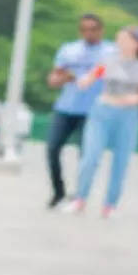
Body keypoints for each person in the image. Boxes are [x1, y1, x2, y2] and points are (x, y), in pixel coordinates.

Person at [62, 26, 138, 218]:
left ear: (137, 43)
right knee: (90, 157)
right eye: (119, 39)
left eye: (125, 40)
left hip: (127, 116)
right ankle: (80, 199)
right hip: (102, 111)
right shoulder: (108, 61)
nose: (121, 43)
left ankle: (110, 205)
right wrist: (79, 79)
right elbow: (90, 78)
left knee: (121, 161)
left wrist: (137, 98)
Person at [44, 13, 114, 208]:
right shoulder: (69, 50)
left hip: (93, 111)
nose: (88, 33)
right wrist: (64, 78)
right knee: (52, 148)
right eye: (84, 29)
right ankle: (58, 191)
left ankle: (80, 195)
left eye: (93, 29)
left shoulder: (110, 52)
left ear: (101, 30)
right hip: (66, 108)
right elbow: (54, 78)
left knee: (87, 155)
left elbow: (112, 73)